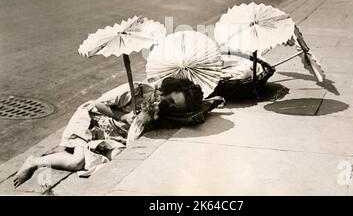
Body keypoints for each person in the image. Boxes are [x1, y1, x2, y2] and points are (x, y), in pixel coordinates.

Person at [14, 77, 208, 188]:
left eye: (175, 107)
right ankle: (34, 161)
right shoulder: (138, 90)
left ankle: (70, 154)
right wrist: (123, 117)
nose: (170, 106)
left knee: (119, 158)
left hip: (111, 137)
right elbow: (97, 103)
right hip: (92, 121)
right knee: (77, 162)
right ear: (166, 90)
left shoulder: (162, 112)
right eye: (172, 101)